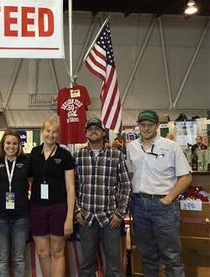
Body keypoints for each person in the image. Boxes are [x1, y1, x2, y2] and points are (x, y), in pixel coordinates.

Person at [126, 110, 192, 276]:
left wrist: (168, 198)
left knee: (171, 256)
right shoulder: (131, 148)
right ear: (138, 125)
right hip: (139, 205)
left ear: (157, 126)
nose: (146, 128)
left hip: (163, 207)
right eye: (143, 125)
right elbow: (130, 174)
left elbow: (186, 176)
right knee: (147, 255)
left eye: (150, 125)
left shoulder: (171, 147)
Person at [74, 118, 131, 277]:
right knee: (86, 265)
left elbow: (125, 185)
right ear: (85, 133)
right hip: (86, 218)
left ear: (103, 132)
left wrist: (119, 213)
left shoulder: (116, 155)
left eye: (97, 128)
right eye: (90, 128)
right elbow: (72, 187)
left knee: (114, 266)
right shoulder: (77, 156)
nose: (93, 131)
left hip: (110, 219)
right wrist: (76, 211)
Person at [29, 119, 75, 277]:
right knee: (42, 252)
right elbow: (29, 178)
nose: (51, 134)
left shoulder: (65, 155)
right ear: (42, 132)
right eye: (48, 130)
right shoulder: (34, 153)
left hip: (59, 207)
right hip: (37, 207)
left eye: (54, 131)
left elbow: (70, 188)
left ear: (58, 134)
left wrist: (69, 217)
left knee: (57, 252)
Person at [0, 129, 30, 277]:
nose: (11, 146)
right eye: (8, 143)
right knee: (2, 258)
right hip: (0, 217)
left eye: (15, 143)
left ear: (19, 145)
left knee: (19, 258)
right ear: (3, 144)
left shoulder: (26, 162)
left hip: (21, 216)